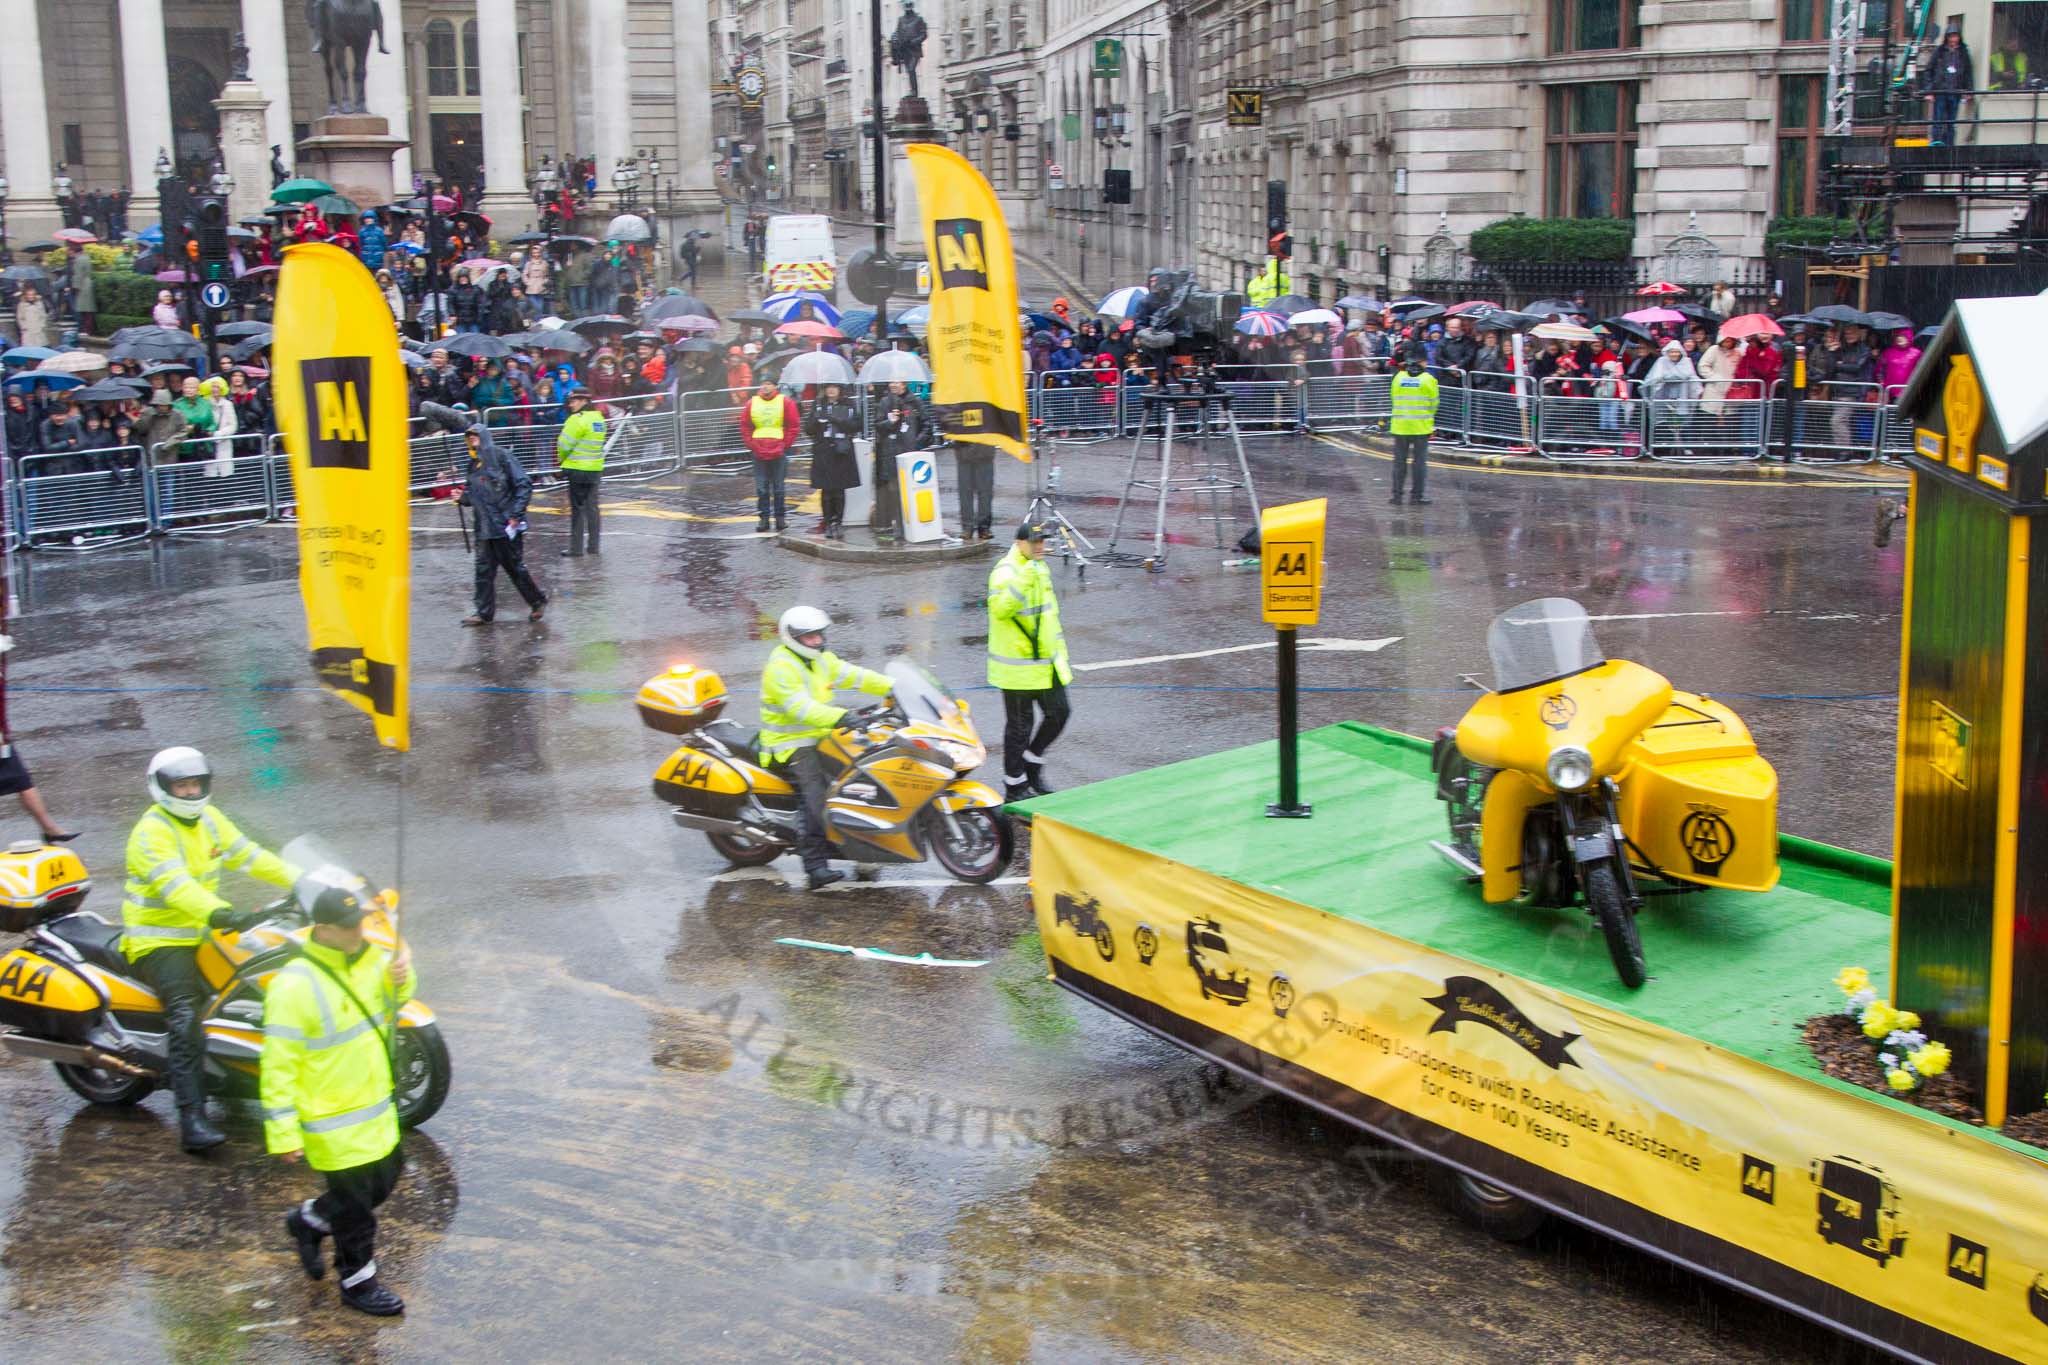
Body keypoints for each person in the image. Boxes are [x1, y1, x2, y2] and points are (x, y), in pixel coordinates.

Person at [122, 746, 296, 1152]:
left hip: (202, 933)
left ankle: (234, 1076)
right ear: (162, 788)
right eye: (181, 786)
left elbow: (250, 856)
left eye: (195, 784)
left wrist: (303, 880)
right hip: (160, 941)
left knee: (250, 988)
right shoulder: (151, 833)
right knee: (186, 1014)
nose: (190, 792)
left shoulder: (209, 819)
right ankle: (192, 1118)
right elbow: (178, 888)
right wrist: (221, 913)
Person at [265, 871, 415, 1317]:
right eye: (349, 927)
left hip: (376, 1108)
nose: (358, 933)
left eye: (360, 924)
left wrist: (402, 977)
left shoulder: (372, 959)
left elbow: (396, 1001)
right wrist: (283, 1132)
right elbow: (278, 1064)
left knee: (385, 1179)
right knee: (355, 1212)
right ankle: (358, 1284)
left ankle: (309, 1220)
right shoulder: (294, 985)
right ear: (323, 929)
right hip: (332, 1120)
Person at [758, 605, 895, 890]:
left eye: (819, 635)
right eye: (810, 637)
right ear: (793, 637)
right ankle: (815, 865)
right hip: (790, 746)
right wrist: (842, 716)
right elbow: (800, 708)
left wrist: (893, 687)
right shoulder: (781, 667)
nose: (817, 641)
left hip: (821, 737)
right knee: (817, 797)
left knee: (864, 772)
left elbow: (855, 675)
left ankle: (863, 846)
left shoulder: (820, 659)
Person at [988, 524, 1072, 799]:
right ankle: (1015, 785)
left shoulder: (1038, 567)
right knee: (1019, 728)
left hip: (1045, 664)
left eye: (1042, 541)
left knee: (1059, 713)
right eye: (1034, 542)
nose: (1040, 546)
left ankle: (1031, 764)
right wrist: (1025, 576)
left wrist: (1059, 655)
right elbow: (1000, 609)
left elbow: (1048, 617)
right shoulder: (1006, 571)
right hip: (1017, 668)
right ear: (1019, 543)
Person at [457, 422, 547, 625]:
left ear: (484, 437)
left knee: (514, 568)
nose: (472, 439)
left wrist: (516, 514)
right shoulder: (473, 465)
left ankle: (537, 601)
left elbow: (524, 484)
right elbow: (474, 496)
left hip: (505, 526)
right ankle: (484, 612)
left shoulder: (502, 456)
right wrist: (462, 498)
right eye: (469, 437)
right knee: (483, 570)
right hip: (484, 528)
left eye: (475, 436)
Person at [741, 377, 801, 532]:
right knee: (762, 488)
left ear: (775, 386)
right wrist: (752, 445)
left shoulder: (785, 402)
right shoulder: (752, 403)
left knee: (778, 487)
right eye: (763, 384)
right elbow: (745, 426)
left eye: (768, 384)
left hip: (778, 451)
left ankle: (780, 519)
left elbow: (793, 425)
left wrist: (784, 445)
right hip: (759, 450)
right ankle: (764, 519)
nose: (765, 387)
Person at [805, 382, 862, 539]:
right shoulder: (818, 405)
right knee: (826, 490)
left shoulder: (848, 405)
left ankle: (838, 522)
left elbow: (856, 425)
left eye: (834, 387)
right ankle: (828, 522)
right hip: (824, 452)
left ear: (839, 389)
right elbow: (808, 429)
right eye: (828, 387)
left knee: (839, 490)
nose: (831, 390)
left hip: (841, 452)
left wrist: (836, 420)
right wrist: (816, 421)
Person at [871, 380, 924, 542]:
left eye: (897, 382)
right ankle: (899, 527)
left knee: (911, 491)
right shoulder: (884, 402)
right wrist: (890, 422)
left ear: (904, 384)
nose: (893, 385)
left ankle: (913, 525)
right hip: (891, 454)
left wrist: (916, 442)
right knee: (894, 491)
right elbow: (878, 425)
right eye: (891, 382)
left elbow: (926, 425)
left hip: (910, 454)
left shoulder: (914, 402)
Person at [556, 385, 606, 557]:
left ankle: (576, 548)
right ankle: (594, 546)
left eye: (574, 401)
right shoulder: (598, 418)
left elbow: (564, 445)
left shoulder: (576, 419)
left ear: (584, 401)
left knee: (578, 510)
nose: (571, 405)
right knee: (593, 508)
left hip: (577, 469)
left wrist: (561, 461)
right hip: (595, 469)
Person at [1388, 349, 1439, 505]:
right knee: (1419, 464)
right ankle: (1417, 496)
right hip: (1420, 428)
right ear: (1422, 362)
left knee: (1399, 463)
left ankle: (1397, 495)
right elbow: (1434, 404)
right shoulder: (1428, 379)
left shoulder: (1398, 377)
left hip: (1400, 427)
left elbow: (1393, 398)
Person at [1924, 27, 1974, 145]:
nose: (1953, 39)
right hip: (1940, 91)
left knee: (1951, 123)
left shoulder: (1963, 52)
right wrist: (1929, 91)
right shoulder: (1939, 51)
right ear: (1946, 37)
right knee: (1938, 122)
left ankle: (1950, 148)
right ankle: (1937, 146)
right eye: (1951, 36)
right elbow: (1929, 70)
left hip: (1955, 92)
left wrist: (1969, 90)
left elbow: (1968, 72)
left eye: (1955, 36)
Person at [68, 243, 95, 336]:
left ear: (75, 252)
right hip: (88, 283)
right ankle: (88, 330)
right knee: (88, 309)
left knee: (83, 310)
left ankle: (85, 330)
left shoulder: (78, 260)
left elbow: (78, 275)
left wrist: (75, 287)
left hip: (82, 285)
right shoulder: (87, 258)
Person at [15, 284, 50, 349]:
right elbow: (19, 318)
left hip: (38, 329)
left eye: (32, 294)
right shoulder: (21, 305)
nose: (31, 296)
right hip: (28, 330)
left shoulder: (39, 304)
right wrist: (24, 327)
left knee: (40, 346)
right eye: (29, 294)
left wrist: (42, 325)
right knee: (28, 347)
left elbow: (43, 316)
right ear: (26, 295)